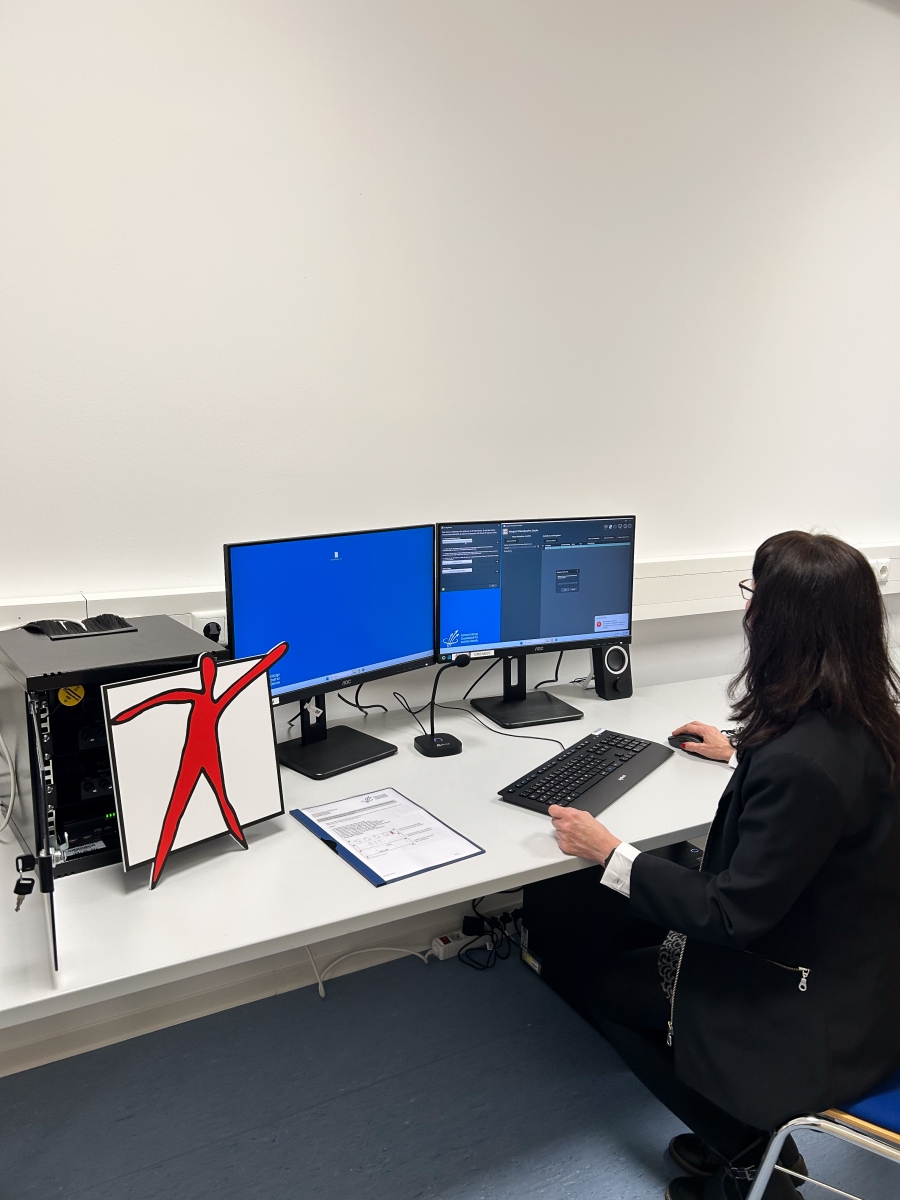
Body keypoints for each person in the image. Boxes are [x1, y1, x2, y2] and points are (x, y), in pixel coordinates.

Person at [549, 531, 900, 1199]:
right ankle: (740, 1133)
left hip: (811, 1004)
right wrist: (741, 752)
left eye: (753, 593)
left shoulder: (803, 764)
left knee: (609, 991)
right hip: (862, 969)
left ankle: (750, 1157)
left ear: (782, 622)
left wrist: (609, 854)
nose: (747, 607)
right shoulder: (867, 718)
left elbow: (730, 915)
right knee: (631, 957)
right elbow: (822, 793)